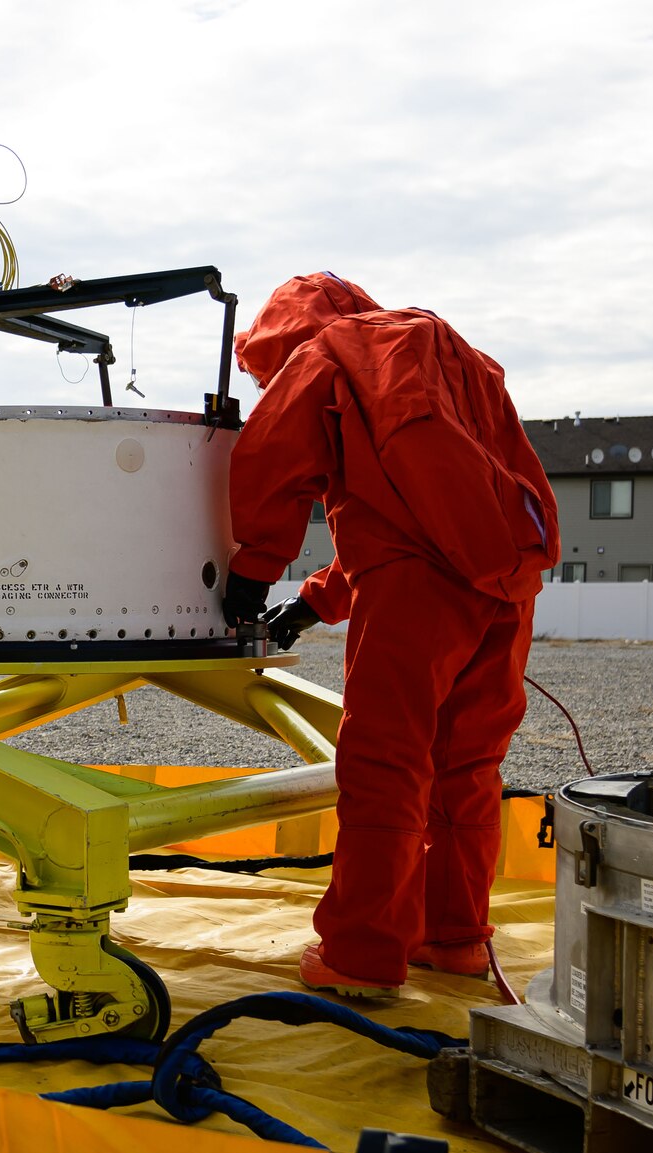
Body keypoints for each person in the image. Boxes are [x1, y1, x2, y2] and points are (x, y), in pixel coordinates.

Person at [221, 273, 557, 998]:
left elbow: (273, 458)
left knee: (387, 762)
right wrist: (315, 601)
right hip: (507, 588)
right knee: (466, 769)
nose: (266, 388)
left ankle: (362, 957)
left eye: (261, 375)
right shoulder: (453, 354)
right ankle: (456, 939)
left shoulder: (328, 352)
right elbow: (427, 504)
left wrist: (252, 567)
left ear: (279, 342)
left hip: (416, 592)